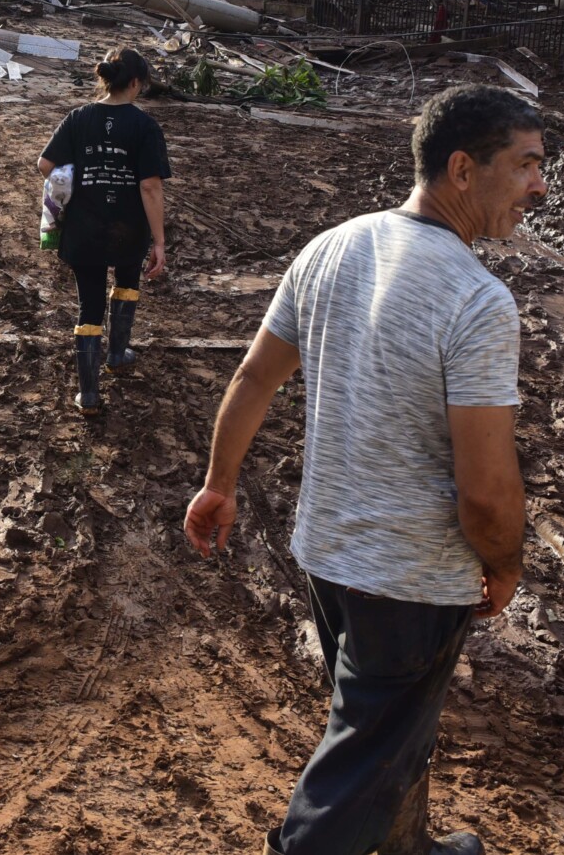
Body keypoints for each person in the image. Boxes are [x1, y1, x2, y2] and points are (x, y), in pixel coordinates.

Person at [183, 84, 545, 855]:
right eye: (525, 165)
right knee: (359, 761)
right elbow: (486, 491)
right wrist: (504, 563)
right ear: (461, 169)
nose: (539, 186)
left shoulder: (332, 246)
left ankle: (408, 847)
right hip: (409, 579)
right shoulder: (478, 301)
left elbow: (254, 378)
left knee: (382, 732)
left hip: (328, 555)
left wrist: (219, 483)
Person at [38, 47, 170, 416]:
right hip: (129, 228)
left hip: (84, 228)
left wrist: (79, 177)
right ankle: (116, 354)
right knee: (128, 280)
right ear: (134, 83)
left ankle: (90, 396)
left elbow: (45, 164)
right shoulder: (144, 126)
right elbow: (150, 187)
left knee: (89, 303)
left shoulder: (78, 118)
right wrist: (159, 241)